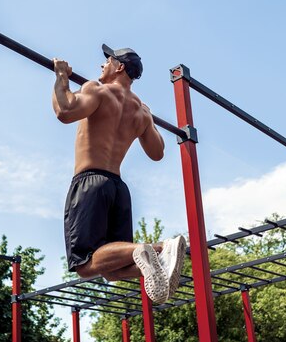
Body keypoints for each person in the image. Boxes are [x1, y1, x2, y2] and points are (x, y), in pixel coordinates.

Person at [52, 44, 186, 304]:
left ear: (119, 66)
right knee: (112, 271)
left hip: (90, 183)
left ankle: (157, 248)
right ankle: (157, 258)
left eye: (107, 61)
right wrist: (147, 119)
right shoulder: (142, 111)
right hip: (118, 189)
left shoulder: (96, 89)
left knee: (85, 264)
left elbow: (65, 111)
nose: (102, 66)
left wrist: (61, 77)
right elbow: (157, 152)